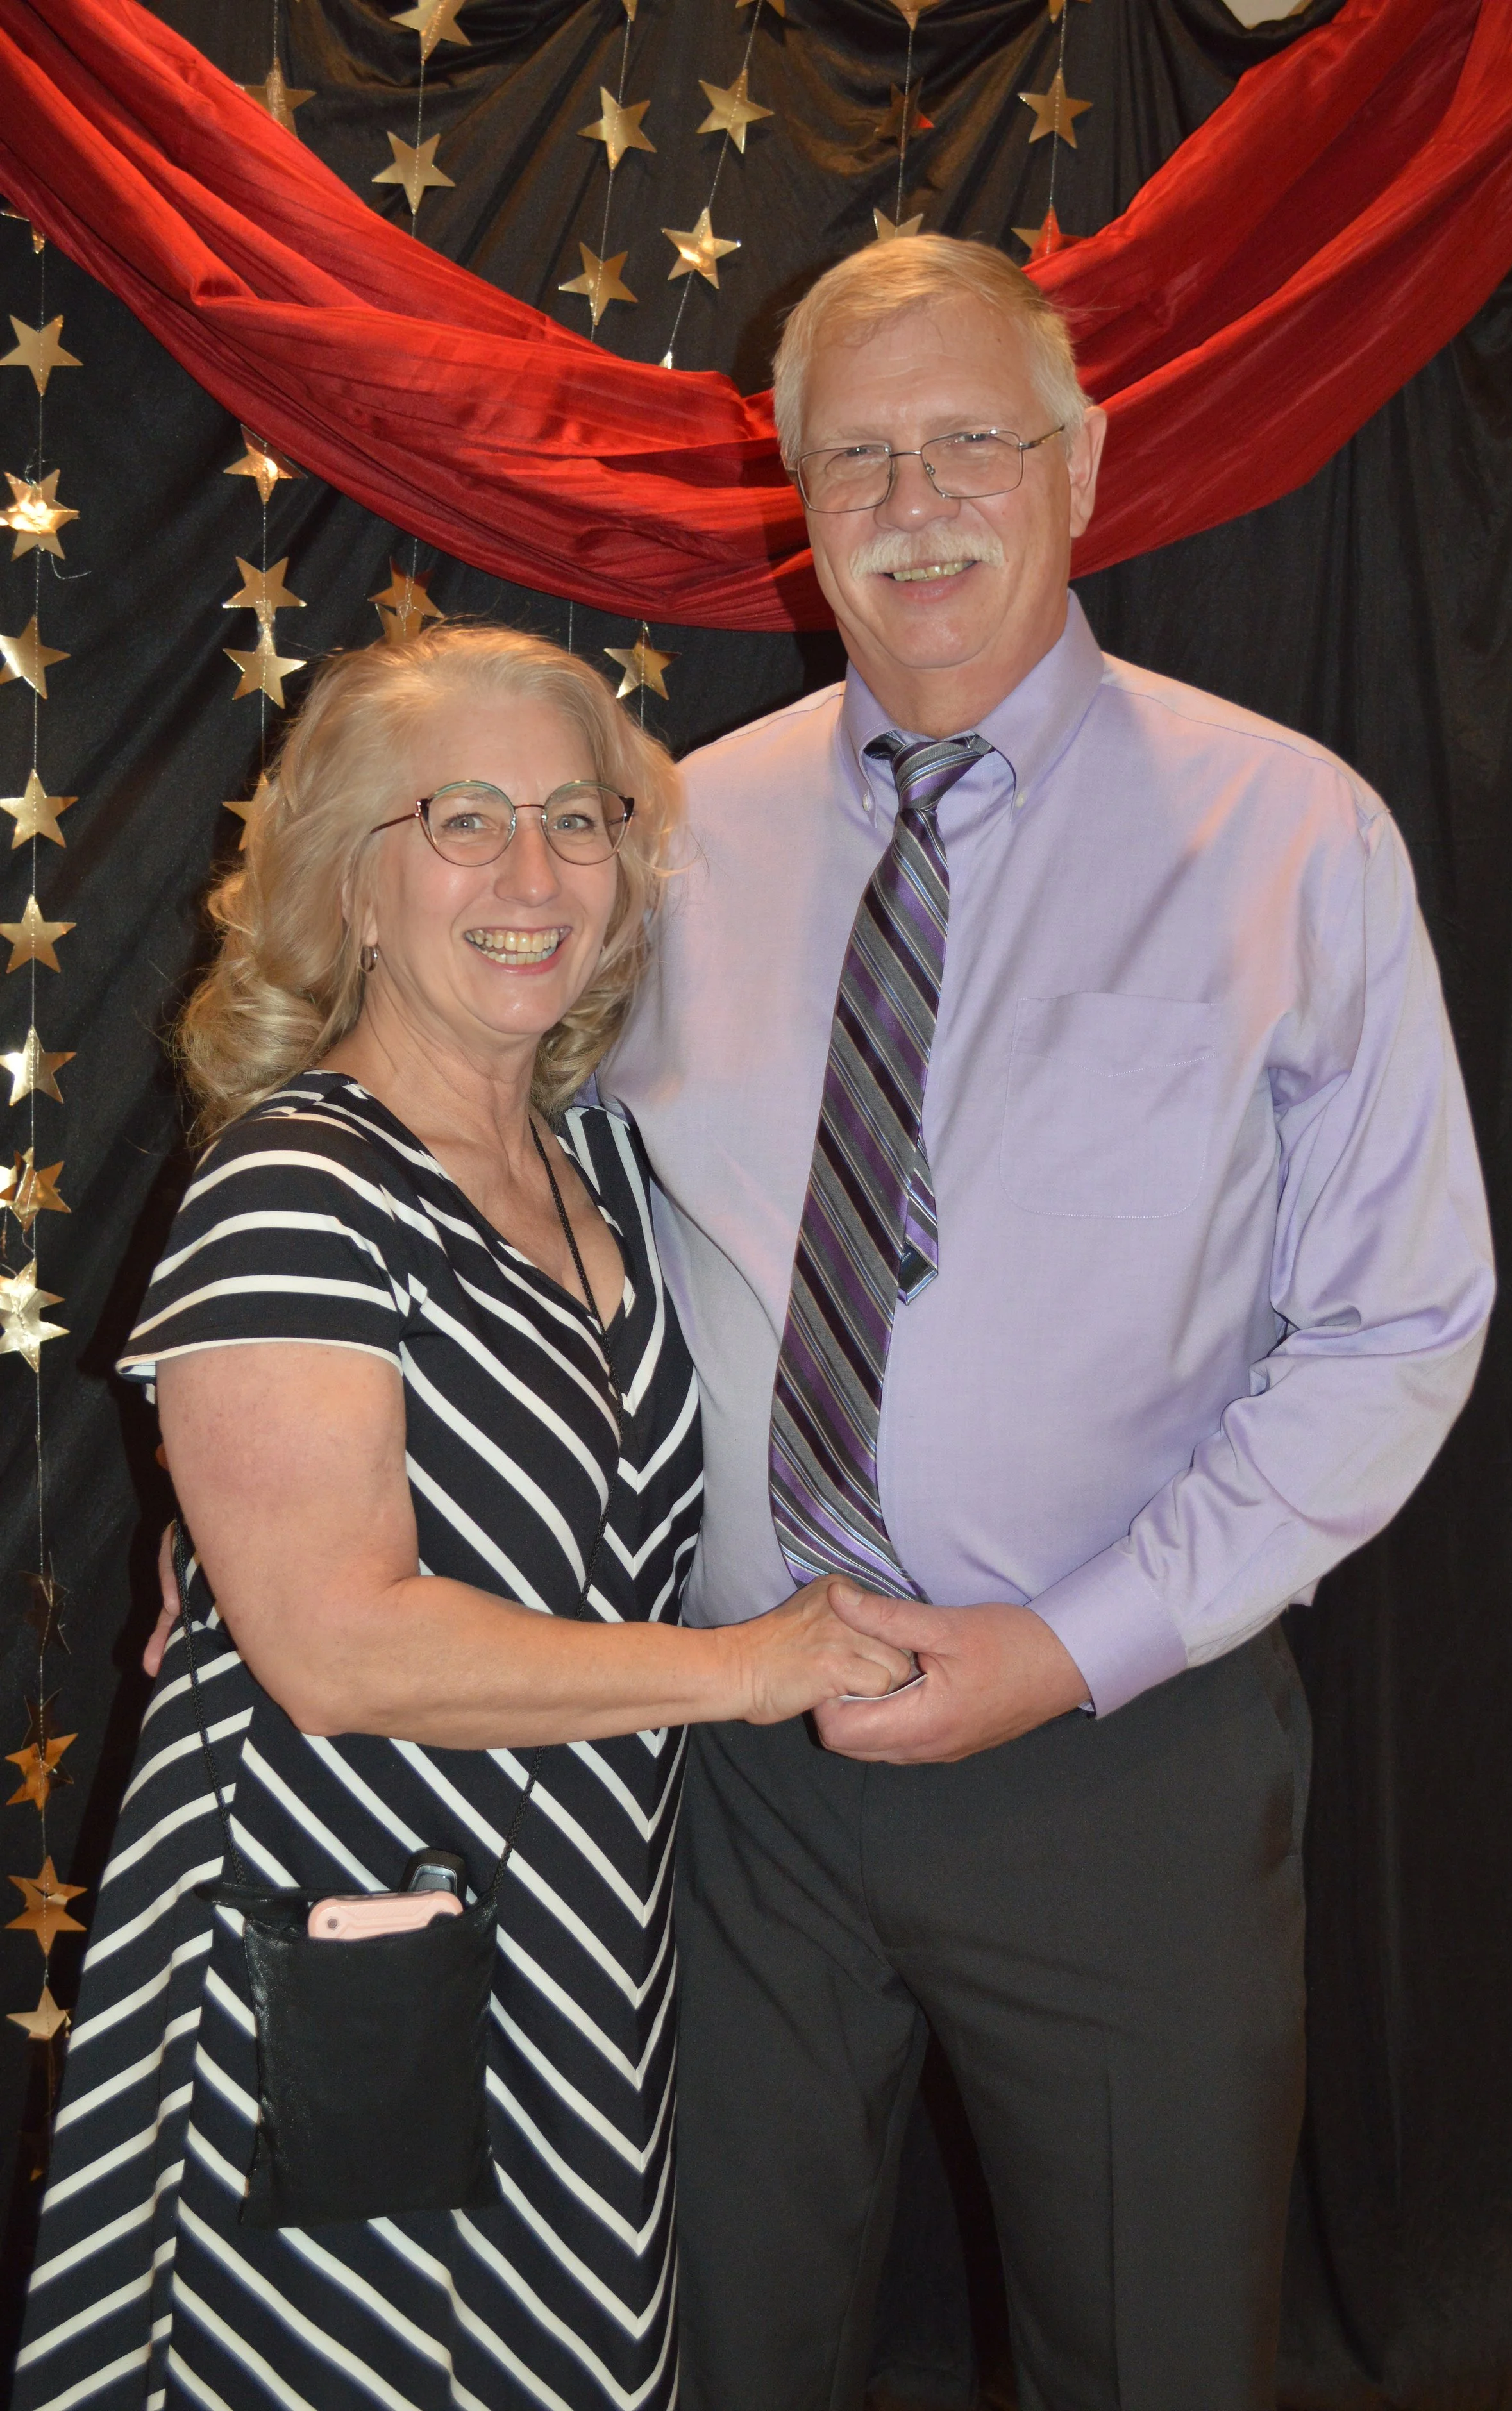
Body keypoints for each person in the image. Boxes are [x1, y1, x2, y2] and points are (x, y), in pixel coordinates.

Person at [603, 237, 1497, 2410]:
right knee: (726, 2353)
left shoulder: (1291, 834)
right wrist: (283, 1480)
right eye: (857, 459)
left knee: (1156, 2357)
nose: (915, 503)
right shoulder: (657, 846)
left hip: (1125, 1767)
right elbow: (519, 1227)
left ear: (1080, 463)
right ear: (792, 496)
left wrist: (1069, 1646)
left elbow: (1396, 1321)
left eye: (970, 443)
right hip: (725, 1767)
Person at [13, 626, 909, 2411]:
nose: (529, 874)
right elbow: (339, 1650)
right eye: (462, 819)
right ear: (351, 882)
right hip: (345, 1953)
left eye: (574, 821)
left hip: (573, 1942)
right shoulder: (293, 1185)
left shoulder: (593, 1171)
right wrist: (747, 1672)